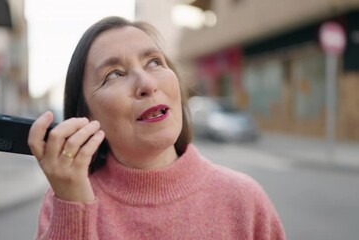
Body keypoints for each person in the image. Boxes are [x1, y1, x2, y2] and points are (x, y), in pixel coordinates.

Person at [29, 16, 285, 240]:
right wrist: (73, 209)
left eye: (154, 62)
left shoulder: (244, 200)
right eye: (114, 75)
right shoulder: (64, 201)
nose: (147, 83)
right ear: (84, 115)